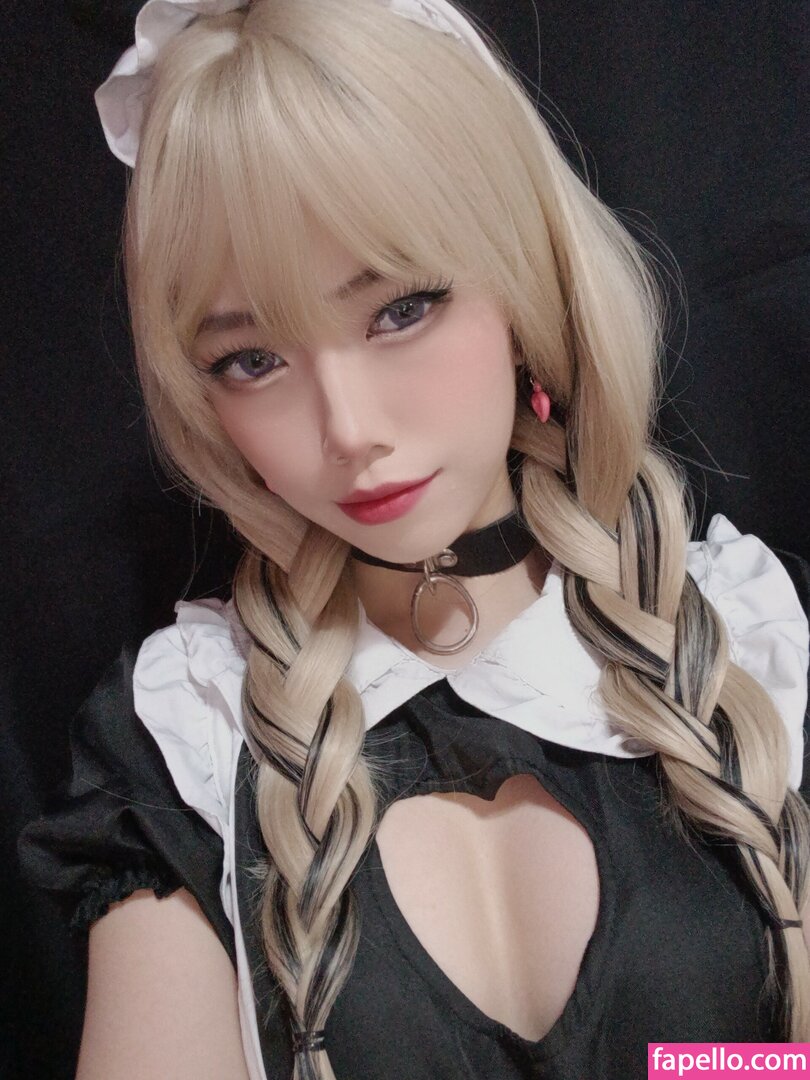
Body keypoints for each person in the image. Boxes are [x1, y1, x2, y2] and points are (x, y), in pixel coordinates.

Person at [18, 0, 810, 1077]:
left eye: (400, 310)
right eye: (252, 360)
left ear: (523, 274)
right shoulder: (184, 738)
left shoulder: (758, 642)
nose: (348, 430)